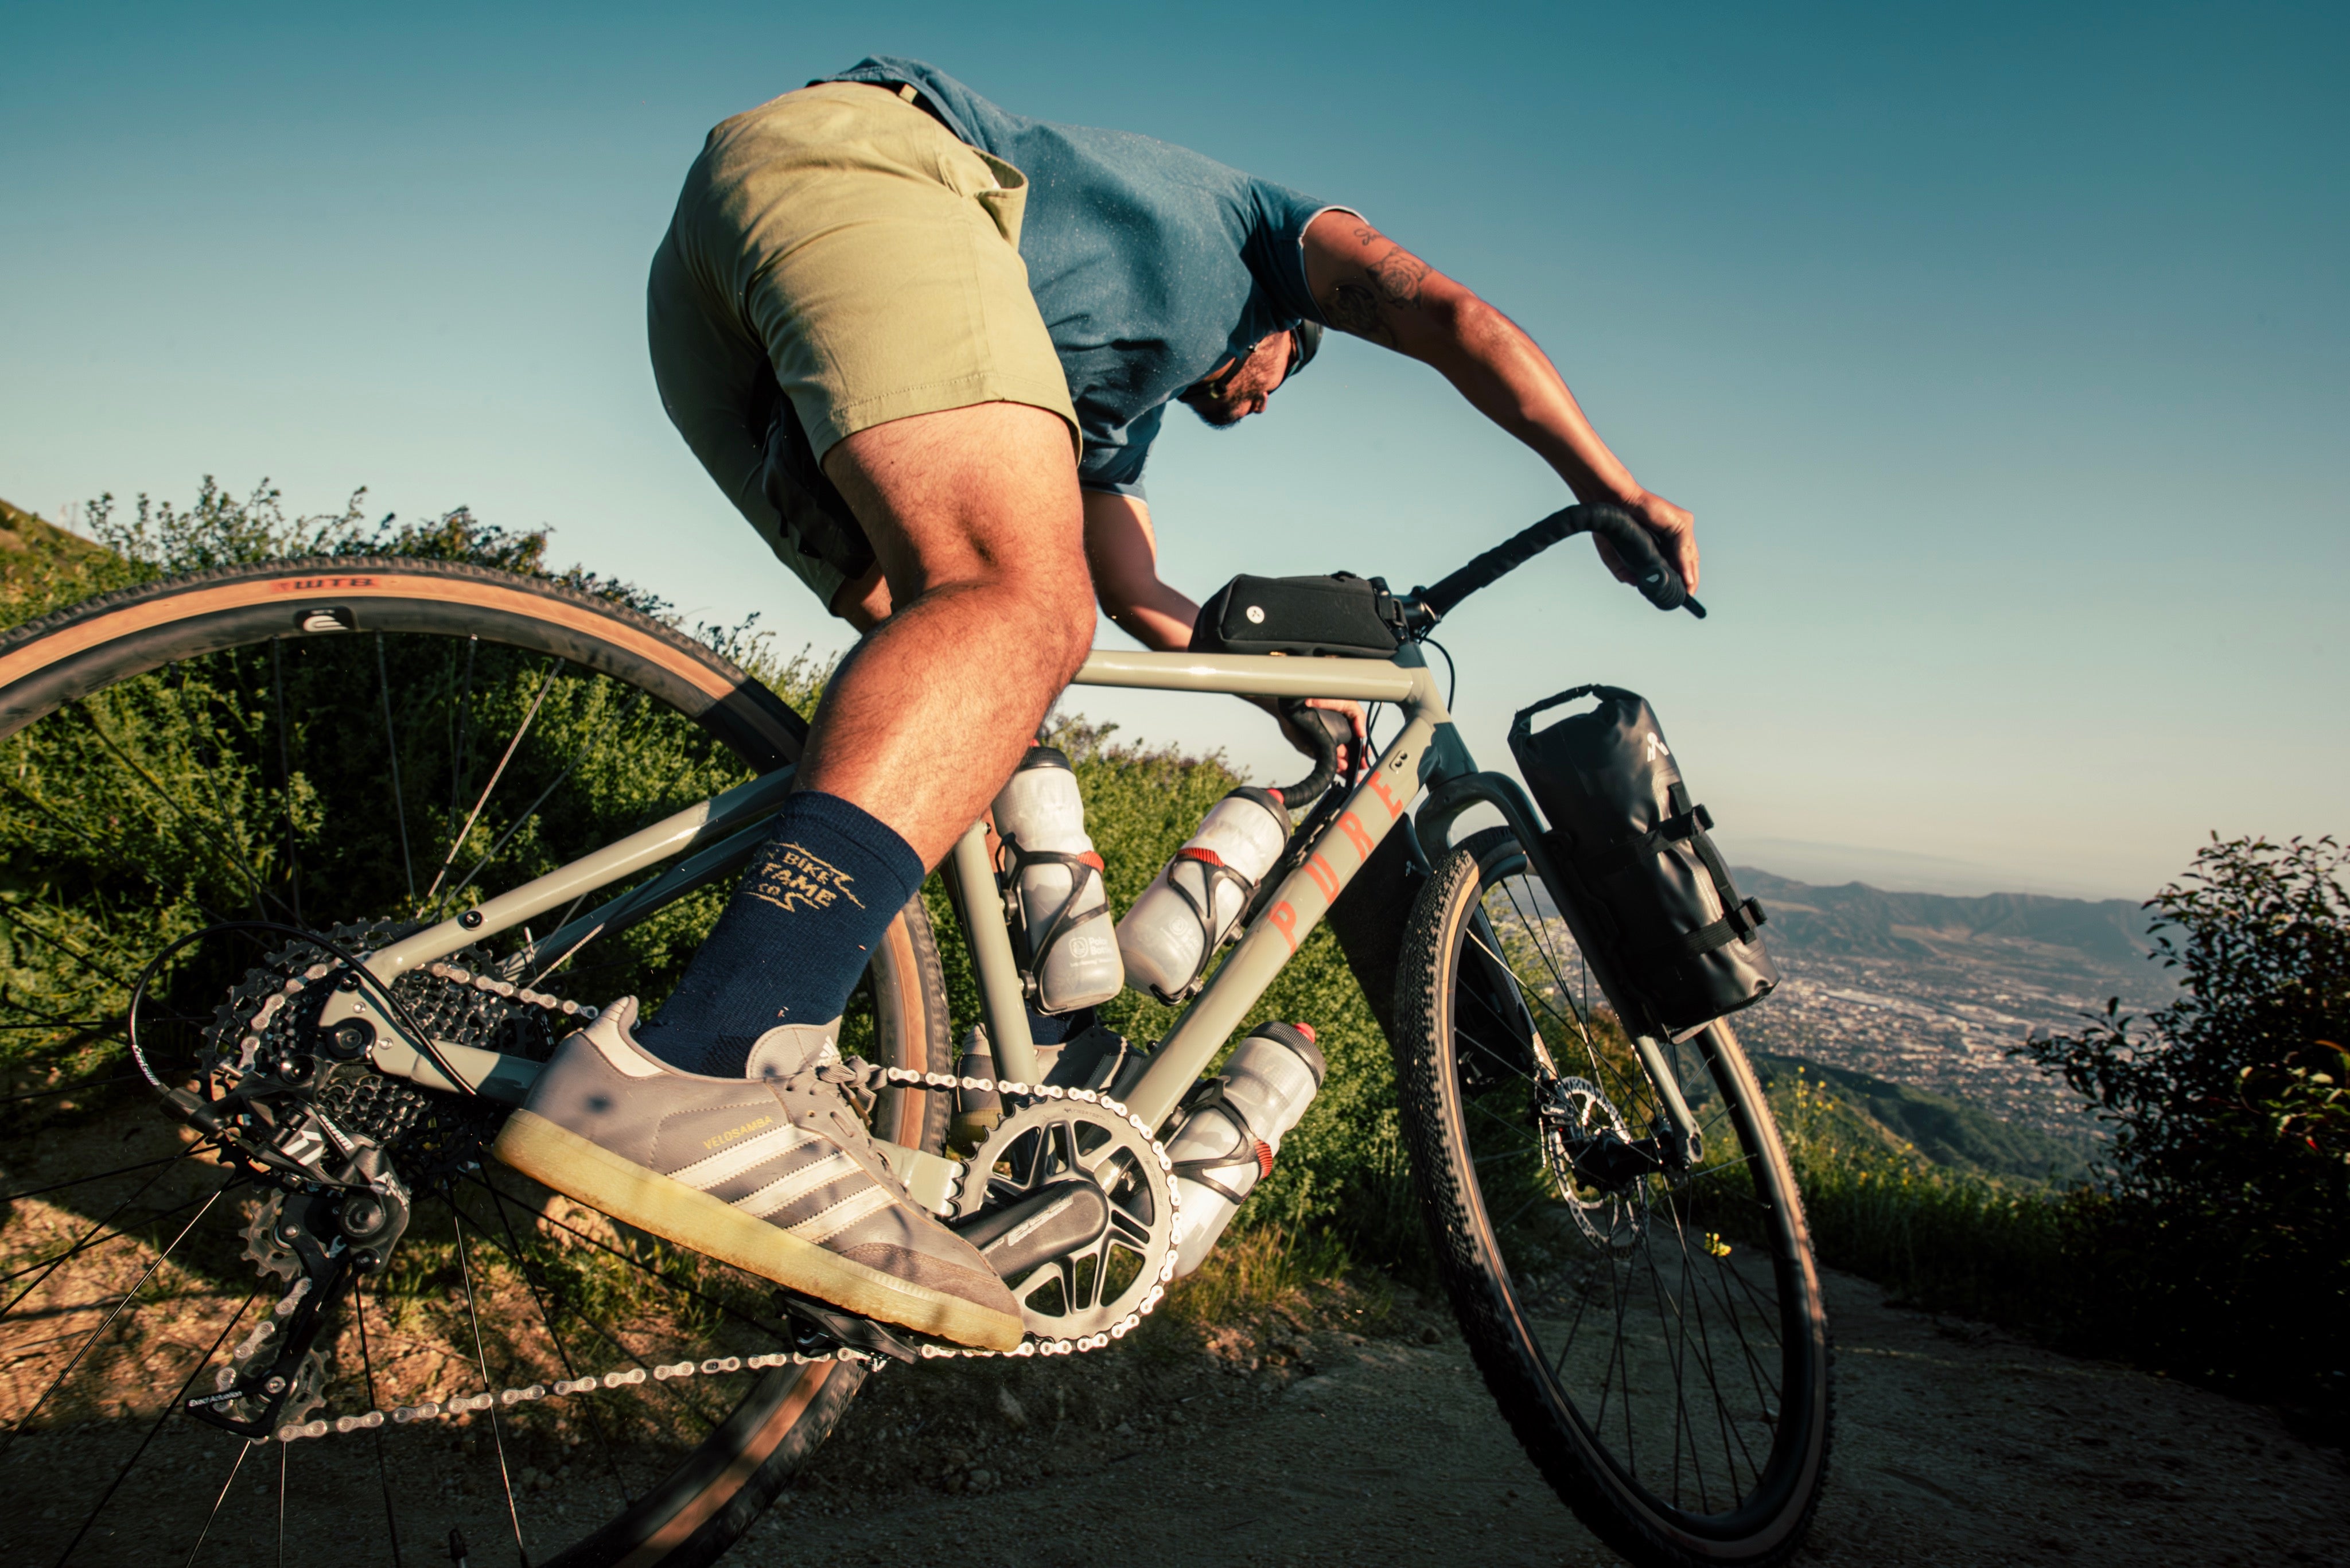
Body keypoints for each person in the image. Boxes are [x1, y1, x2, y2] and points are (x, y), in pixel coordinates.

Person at [493, 58, 1698, 1352]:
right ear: (1284, 329)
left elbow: (1132, 592)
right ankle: (718, 1052)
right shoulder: (1266, 241)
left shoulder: (1091, 395)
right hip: (870, 176)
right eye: (1286, 372)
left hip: (724, 278)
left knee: (965, 659)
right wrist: (1608, 486)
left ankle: (993, 1080)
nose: (1262, 396)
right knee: (1012, 605)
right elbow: (1447, 310)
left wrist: (1277, 689)